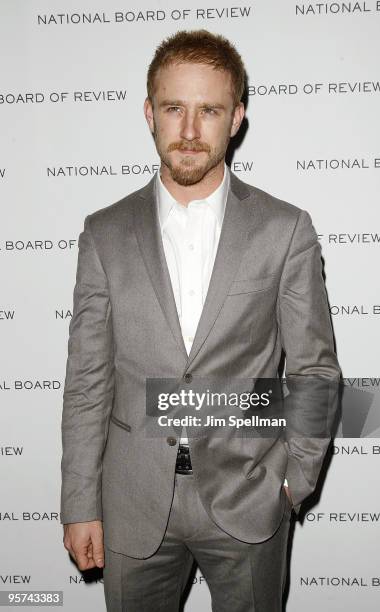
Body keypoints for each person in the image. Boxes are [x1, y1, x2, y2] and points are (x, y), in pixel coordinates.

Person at [60, 29, 341, 611]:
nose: (189, 132)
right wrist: (81, 502)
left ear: (236, 117)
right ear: (149, 113)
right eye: (174, 109)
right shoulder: (105, 233)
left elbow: (314, 369)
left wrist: (295, 480)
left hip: (249, 497)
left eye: (209, 110)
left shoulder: (283, 230)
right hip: (133, 502)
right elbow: (88, 382)